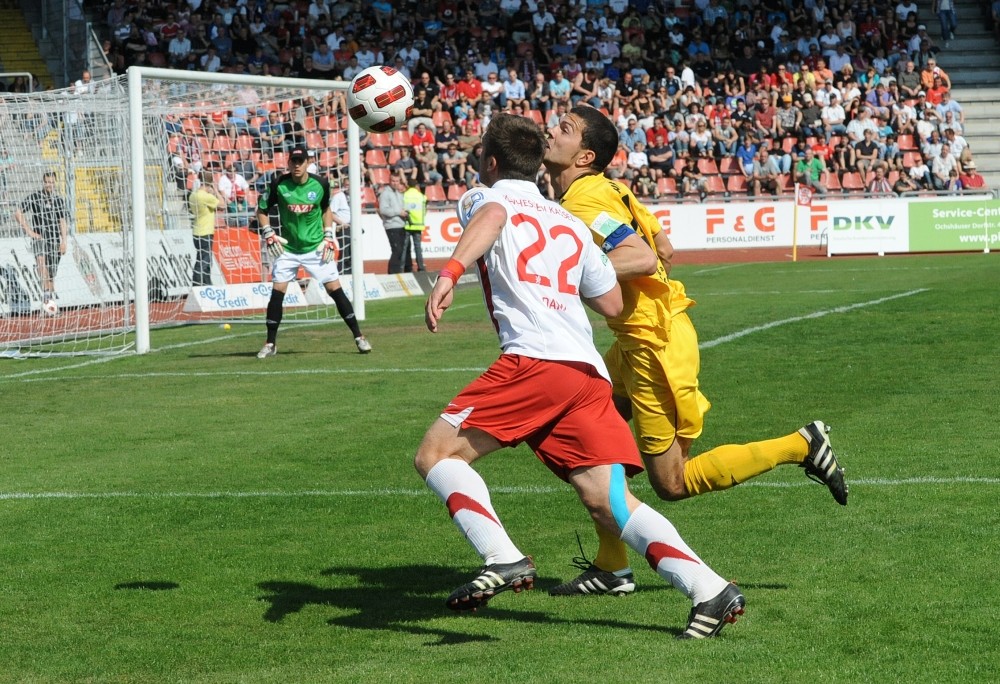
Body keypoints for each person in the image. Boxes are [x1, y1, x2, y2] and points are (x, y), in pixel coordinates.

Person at [416, 113, 745, 639]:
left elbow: (494, 215)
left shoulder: (486, 196)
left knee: (436, 455)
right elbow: (612, 303)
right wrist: (561, 275)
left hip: (534, 362)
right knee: (608, 501)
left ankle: (501, 556)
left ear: (491, 162)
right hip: (587, 373)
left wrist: (450, 273)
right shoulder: (568, 220)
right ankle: (709, 588)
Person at [542, 106, 847, 596]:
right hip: (639, 339)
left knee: (672, 483)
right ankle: (611, 566)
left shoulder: (583, 199)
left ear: (584, 157)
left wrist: (567, 271)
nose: (550, 131)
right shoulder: (607, 189)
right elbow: (664, 247)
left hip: (653, 346)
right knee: (593, 441)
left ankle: (801, 445)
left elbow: (643, 257)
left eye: (564, 129)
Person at [254, 146, 371, 357]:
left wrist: (328, 234)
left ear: (308, 162)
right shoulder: (279, 184)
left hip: (315, 247)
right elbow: (261, 210)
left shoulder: (321, 184)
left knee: (335, 289)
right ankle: (270, 343)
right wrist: (268, 231)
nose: (297, 165)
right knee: (277, 291)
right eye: (294, 161)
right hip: (288, 248)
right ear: (289, 163)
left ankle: (359, 337)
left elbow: (326, 209)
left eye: (301, 161)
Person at [14, 172, 69, 314]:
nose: (49, 185)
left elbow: (62, 221)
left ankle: (50, 303)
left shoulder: (58, 201)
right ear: (43, 182)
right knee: (41, 266)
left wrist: (64, 241)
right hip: (39, 239)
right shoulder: (35, 197)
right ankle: (47, 303)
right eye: (47, 182)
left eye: (52, 182)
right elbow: (18, 213)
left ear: (55, 183)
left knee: (50, 275)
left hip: (54, 241)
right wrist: (30, 232)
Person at [188, 170, 224, 286]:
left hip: (196, 231)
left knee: (205, 259)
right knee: (203, 261)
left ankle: (207, 284)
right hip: (206, 232)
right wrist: (216, 191)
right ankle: (197, 285)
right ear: (210, 183)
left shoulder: (193, 195)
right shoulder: (206, 197)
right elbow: (223, 204)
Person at [378, 174, 408, 274]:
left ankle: (398, 272)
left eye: (397, 181)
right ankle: (392, 273)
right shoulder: (385, 194)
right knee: (397, 250)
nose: (395, 183)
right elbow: (383, 210)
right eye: (393, 181)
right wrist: (399, 212)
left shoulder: (399, 194)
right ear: (389, 181)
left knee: (401, 251)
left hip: (401, 225)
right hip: (391, 226)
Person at [401, 179, 427, 272]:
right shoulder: (422, 196)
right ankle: (421, 267)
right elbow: (424, 209)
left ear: (407, 185)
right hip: (418, 225)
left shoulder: (404, 195)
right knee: (418, 247)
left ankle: (402, 267)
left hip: (407, 224)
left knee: (404, 248)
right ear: (416, 185)